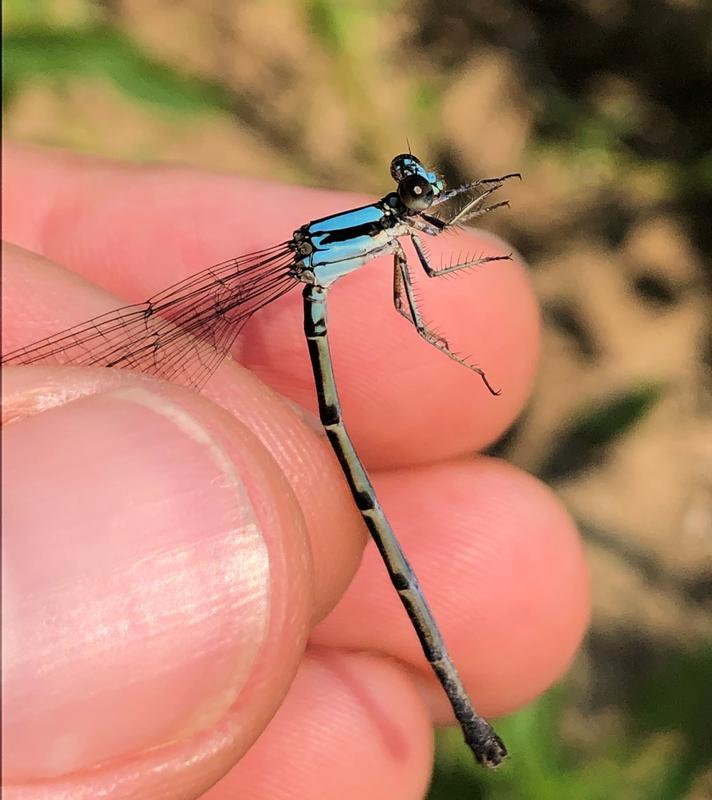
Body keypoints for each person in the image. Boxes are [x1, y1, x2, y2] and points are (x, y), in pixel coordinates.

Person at [2, 143, 589, 799]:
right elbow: (422, 294)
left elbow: (425, 264)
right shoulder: (390, 233)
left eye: (422, 197)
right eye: (420, 200)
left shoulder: (394, 226)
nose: (425, 205)